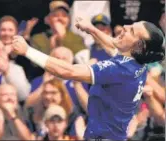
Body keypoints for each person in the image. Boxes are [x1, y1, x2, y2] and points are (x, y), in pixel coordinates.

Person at [12, 17, 165, 140]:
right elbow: (112, 45)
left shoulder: (119, 69)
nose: (125, 26)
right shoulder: (138, 63)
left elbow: (69, 71)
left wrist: (28, 51)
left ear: (138, 46)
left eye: (131, 30)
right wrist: (92, 29)